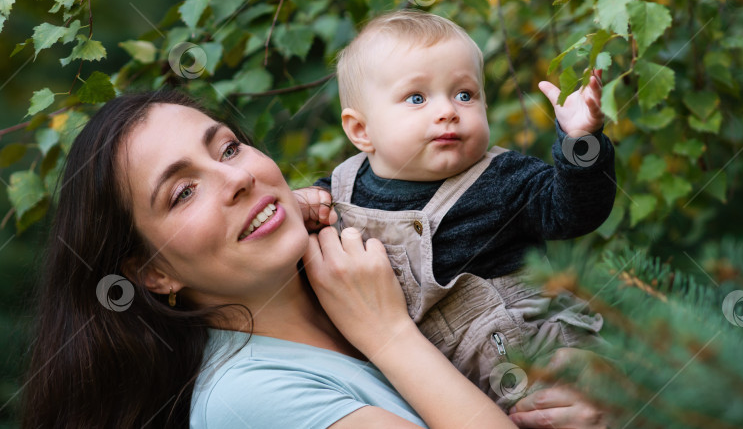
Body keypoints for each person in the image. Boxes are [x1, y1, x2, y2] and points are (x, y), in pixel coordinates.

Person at [20, 90, 606, 429]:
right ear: (154, 273)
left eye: (227, 147)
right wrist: (389, 337)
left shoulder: (361, 277)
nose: (235, 178)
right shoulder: (246, 398)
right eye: (182, 192)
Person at [296, 10, 616, 407]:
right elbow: (304, 230)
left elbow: (574, 213)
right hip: (437, 387)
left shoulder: (502, 177)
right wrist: (298, 204)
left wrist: (579, 144)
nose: (448, 110)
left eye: (465, 95)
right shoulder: (341, 190)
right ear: (361, 130)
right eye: (417, 98)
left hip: (537, 362)